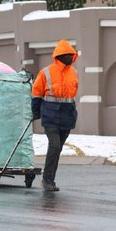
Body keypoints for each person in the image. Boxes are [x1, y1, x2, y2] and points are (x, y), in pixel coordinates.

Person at [31, 40, 78, 191]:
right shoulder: (46, 72)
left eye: (72, 55)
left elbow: (71, 95)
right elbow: (36, 93)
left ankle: (50, 178)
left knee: (58, 149)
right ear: (60, 56)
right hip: (50, 114)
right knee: (54, 145)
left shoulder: (74, 73)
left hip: (67, 115)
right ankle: (47, 180)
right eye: (69, 55)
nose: (71, 57)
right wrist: (36, 111)